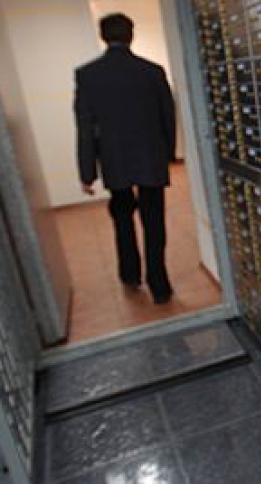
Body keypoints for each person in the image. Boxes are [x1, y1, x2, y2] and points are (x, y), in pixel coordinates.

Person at [74, 13, 175, 304]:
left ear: (103, 36)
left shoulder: (88, 75)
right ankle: (159, 285)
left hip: (114, 160)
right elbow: (168, 118)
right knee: (154, 222)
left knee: (122, 219)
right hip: (150, 158)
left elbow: (85, 127)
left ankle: (130, 274)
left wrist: (87, 172)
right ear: (131, 35)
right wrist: (167, 154)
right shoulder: (152, 71)